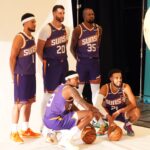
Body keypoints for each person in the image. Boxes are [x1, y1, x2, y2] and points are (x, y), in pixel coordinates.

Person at [43, 70, 102, 150]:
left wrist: (82, 118)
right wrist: (99, 114)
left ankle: (52, 133)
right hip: (55, 121)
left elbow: (72, 106)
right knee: (90, 114)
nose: (78, 81)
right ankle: (65, 140)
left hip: (48, 121)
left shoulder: (60, 87)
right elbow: (85, 105)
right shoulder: (70, 90)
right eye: (76, 79)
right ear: (68, 80)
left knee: (80, 117)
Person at [37, 5, 69, 135]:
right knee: (48, 95)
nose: (62, 16)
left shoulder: (67, 29)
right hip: (51, 65)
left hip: (63, 64)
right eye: (60, 13)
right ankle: (44, 123)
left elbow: (64, 45)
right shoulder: (46, 29)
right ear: (54, 13)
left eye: (63, 13)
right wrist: (45, 61)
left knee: (62, 94)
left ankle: (58, 120)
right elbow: (39, 49)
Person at [9, 13, 40, 143]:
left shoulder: (32, 38)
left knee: (29, 103)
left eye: (35, 22)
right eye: (32, 22)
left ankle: (25, 129)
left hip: (31, 75)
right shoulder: (19, 37)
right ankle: (13, 132)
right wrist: (13, 75)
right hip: (21, 76)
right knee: (19, 104)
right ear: (26, 23)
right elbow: (12, 57)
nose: (35, 24)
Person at [94, 68, 141, 136]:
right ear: (111, 79)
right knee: (94, 109)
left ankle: (127, 125)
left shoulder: (125, 87)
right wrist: (108, 116)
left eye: (120, 77)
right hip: (109, 113)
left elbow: (134, 104)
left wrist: (120, 111)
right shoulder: (105, 88)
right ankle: (104, 125)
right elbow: (97, 104)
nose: (119, 80)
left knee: (137, 112)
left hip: (122, 113)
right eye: (116, 78)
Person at [70, 8, 102, 104]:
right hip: (82, 63)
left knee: (96, 92)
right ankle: (79, 114)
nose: (91, 16)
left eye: (92, 14)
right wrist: (79, 58)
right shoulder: (78, 29)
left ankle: (96, 116)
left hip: (94, 62)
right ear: (84, 16)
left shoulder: (99, 29)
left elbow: (98, 45)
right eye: (89, 14)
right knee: (78, 91)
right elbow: (72, 48)